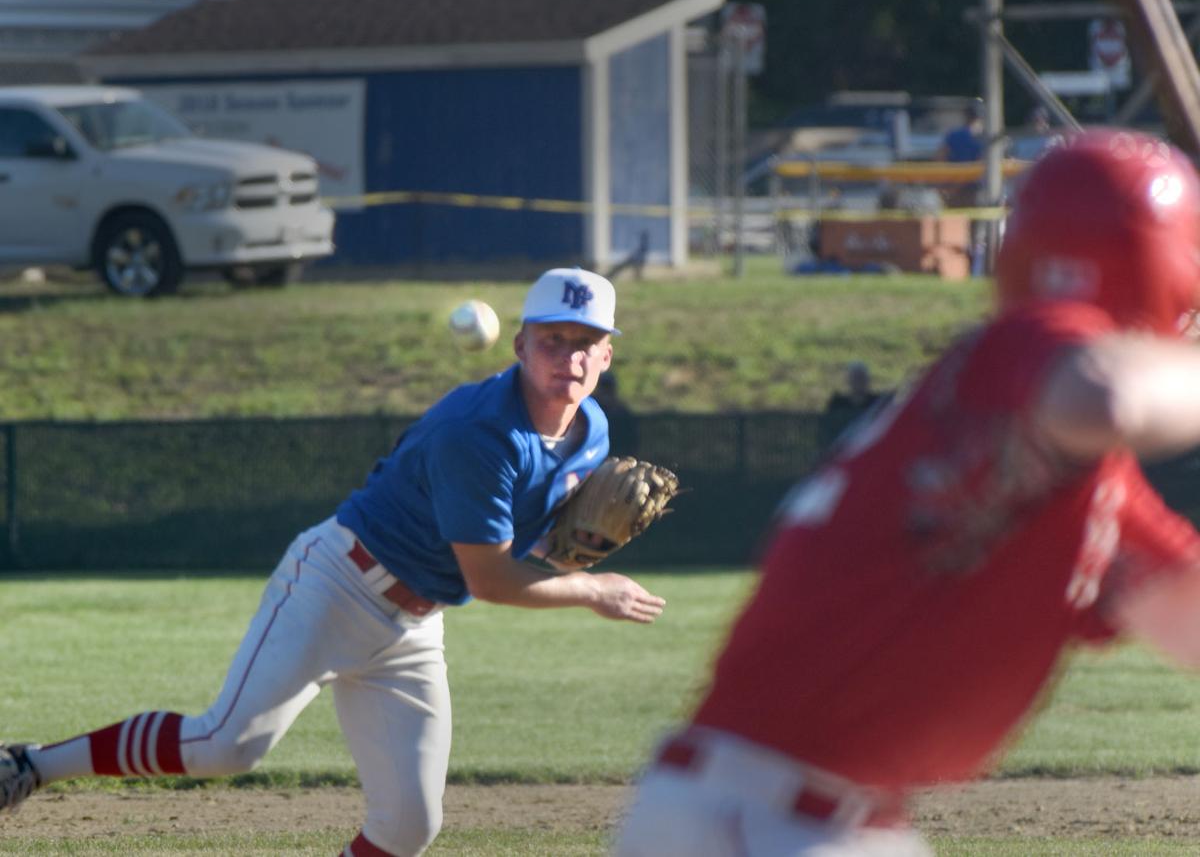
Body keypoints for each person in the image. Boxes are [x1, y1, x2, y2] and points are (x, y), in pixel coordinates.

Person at [614, 129, 1200, 856]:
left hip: (793, 815)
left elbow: (1186, 610)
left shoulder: (1067, 467)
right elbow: (1108, 395)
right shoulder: (1019, 350)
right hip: (766, 820)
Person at [0, 266, 666, 857]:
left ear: (606, 355)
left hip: (412, 624)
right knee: (225, 746)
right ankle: (32, 763)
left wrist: (554, 550)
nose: (568, 358)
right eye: (553, 339)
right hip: (339, 581)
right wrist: (589, 585)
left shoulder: (593, 431)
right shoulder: (481, 434)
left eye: (584, 343)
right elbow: (489, 579)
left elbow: (522, 542)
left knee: (408, 825)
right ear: (521, 344)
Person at [818, 361, 886, 450]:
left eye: (862, 378)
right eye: (855, 378)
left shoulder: (877, 403)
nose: (859, 382)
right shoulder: (838, 404)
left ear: (868, 380)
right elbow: (827, 431)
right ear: (848, 380)